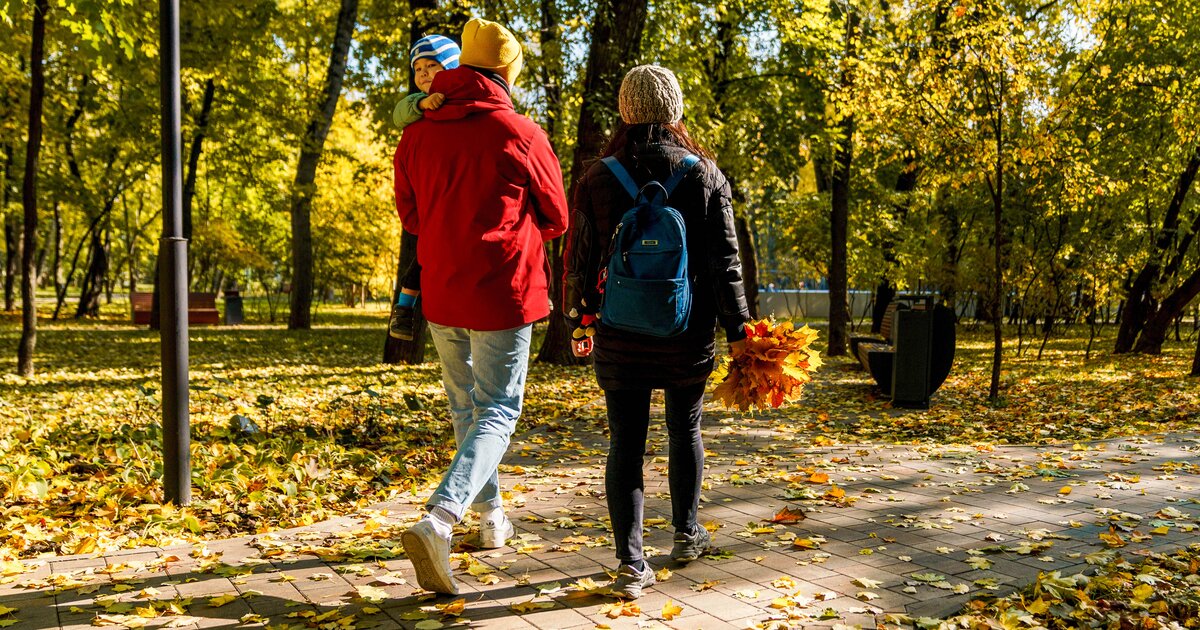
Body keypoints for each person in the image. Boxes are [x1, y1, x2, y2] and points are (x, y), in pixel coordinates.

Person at [395, 18, 569, 596]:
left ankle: (491, 521)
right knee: (497, 410)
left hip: (442, 289)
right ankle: (439, 519)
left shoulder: (416, 133)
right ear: (507, 75)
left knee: (467, 409)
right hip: (503, 290)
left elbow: (412, 216)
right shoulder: (520, 131)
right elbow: (557, 217)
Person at [562, 64, 751, 599]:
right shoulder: (704, 174)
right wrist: (739, 330)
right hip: (687, 330)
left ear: (624, 111)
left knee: (626, 440)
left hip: (619, 333)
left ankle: (629, 563)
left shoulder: (598, 177)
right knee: (684, 428)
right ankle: (688, 535)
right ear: (675, 109)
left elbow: (578, 260)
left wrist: (580, 318)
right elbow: (725, 263)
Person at [388, 34, 460, 341]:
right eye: (419, 69)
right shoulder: (414, 106)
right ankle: (403, 311)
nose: (425, 73)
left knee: (427, 261)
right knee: (421, 260)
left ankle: (406, 310)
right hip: (433, 209)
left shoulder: (462, 97)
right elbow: (399, 114)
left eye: (433, 65)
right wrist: (422, 102)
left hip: (451, 203)